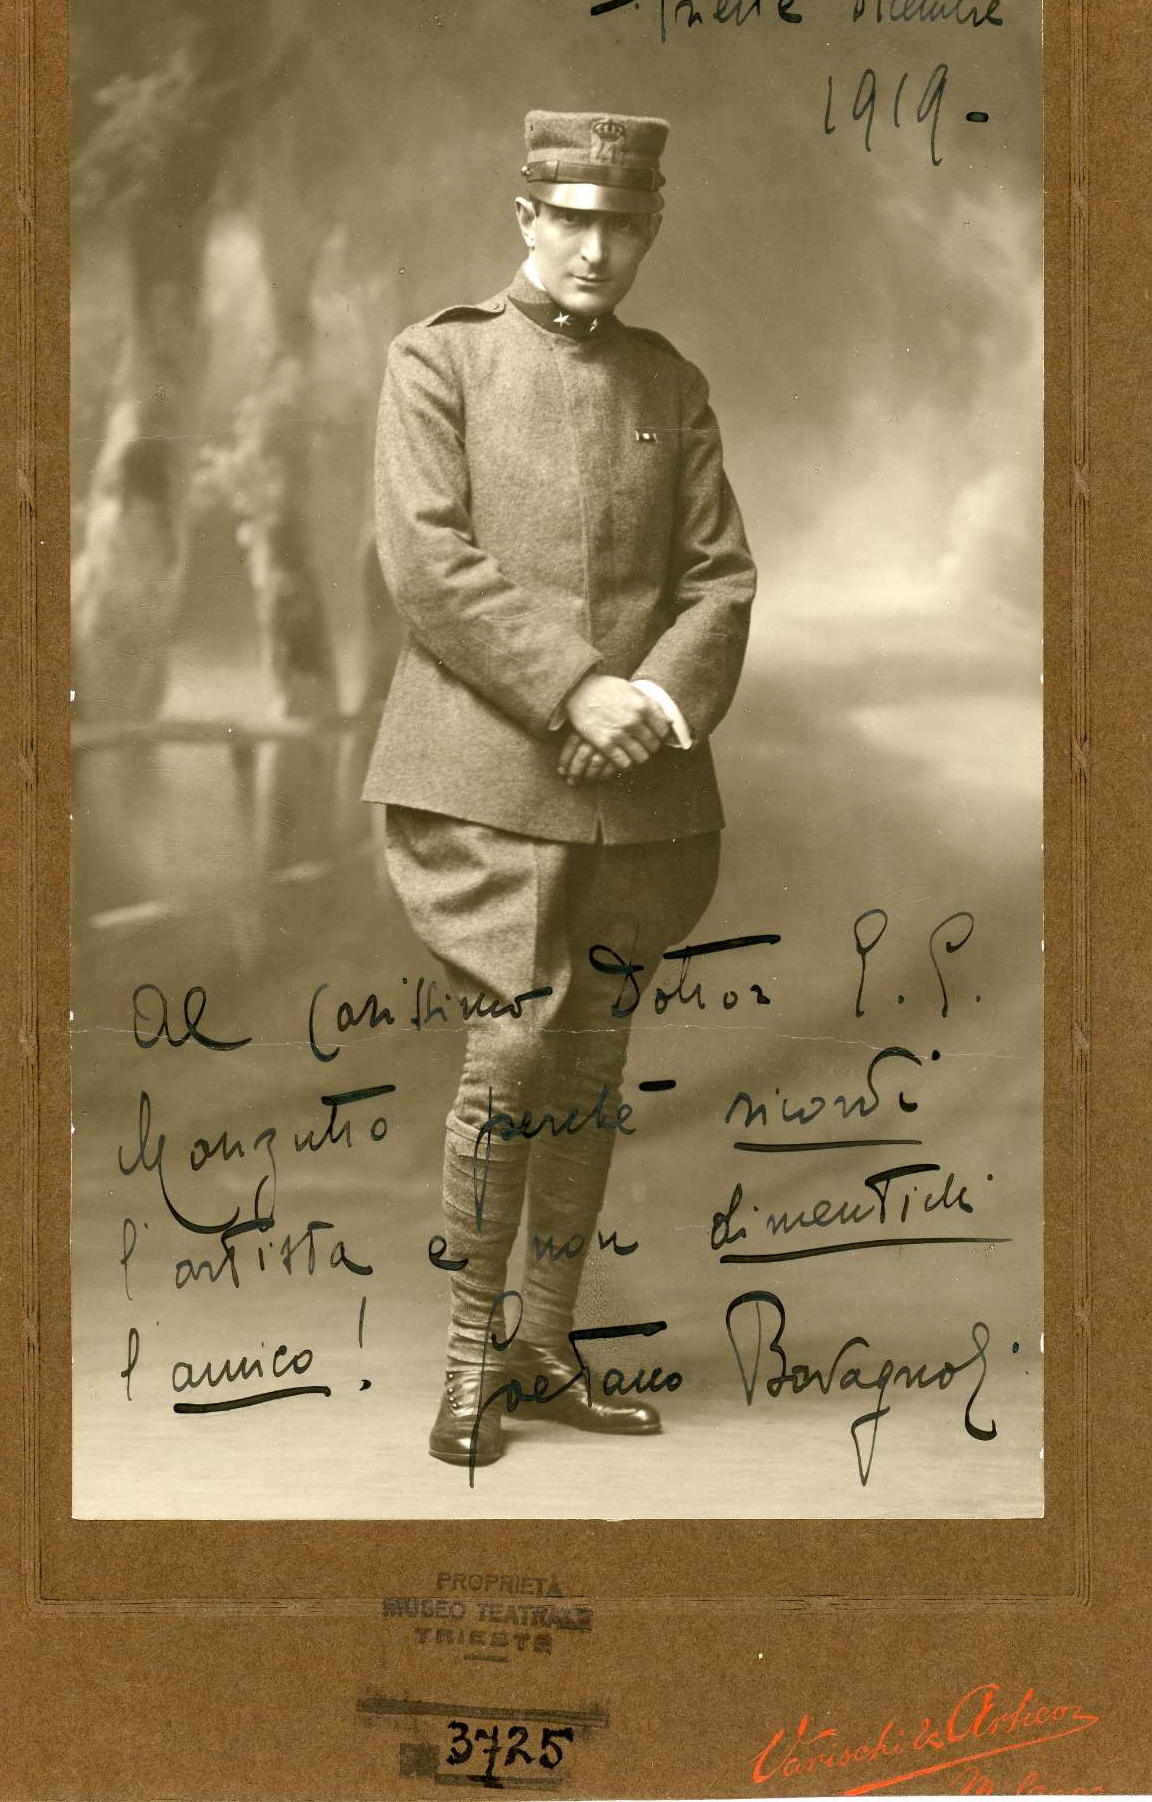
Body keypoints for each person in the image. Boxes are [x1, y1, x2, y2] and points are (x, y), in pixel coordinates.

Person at [362, 109, 757, 1469]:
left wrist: (648, 705)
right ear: (526, 217)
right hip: (485, 775)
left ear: (648, 233)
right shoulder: (440, 358)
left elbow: (718, 579)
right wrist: (573, 689)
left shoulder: (670, 381)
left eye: (621, 226)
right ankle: (470, 1354)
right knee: (514, 1052)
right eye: (572, 221)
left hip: (639, 784)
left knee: (590, 1060)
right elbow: (428, 564)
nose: (595, 249)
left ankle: (546, 1344)